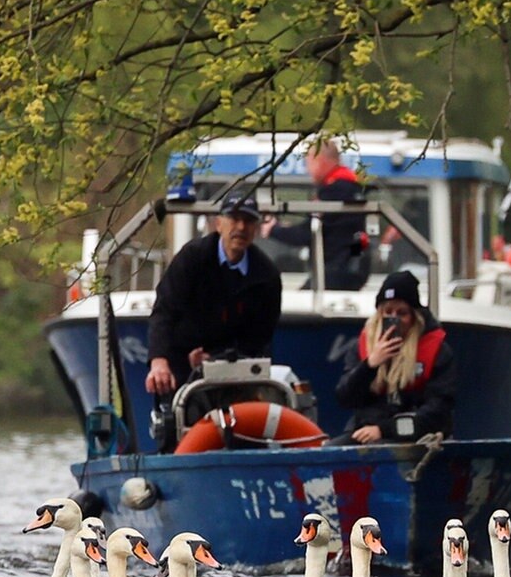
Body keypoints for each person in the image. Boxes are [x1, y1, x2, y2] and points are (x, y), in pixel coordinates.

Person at [144, 191, 283, 396]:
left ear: (256, 229)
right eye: (234, 219)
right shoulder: (192, 258)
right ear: (218, 224)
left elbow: (260, 338)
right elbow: (165, 310)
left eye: (248, 221)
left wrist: (217, 359)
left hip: (236, 369)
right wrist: (159, 361)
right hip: (181, 361)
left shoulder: (266, 276)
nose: (241, 227)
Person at [334, 270, 457, 444]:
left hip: (415, 435)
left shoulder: (438, 351)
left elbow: (438, 409)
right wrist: (370, 365)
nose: (394, 319)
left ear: (414, 316)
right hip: (366, 430)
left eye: (402, 313)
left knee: (382, 449)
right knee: (333, 449)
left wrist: (384, 430)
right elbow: (345, 398)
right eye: (388, 312)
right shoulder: (362, 347)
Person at [269, 139, 368, 290]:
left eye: (308, 162)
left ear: (319, 160)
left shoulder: (334, 191)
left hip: (333, 273)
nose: (308, 169)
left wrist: (273, 229)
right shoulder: (352, 188)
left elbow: (307, 233)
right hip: (349, 270)